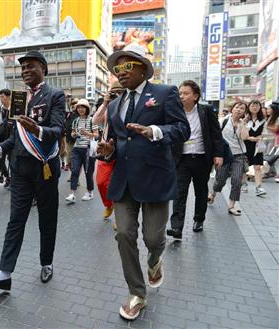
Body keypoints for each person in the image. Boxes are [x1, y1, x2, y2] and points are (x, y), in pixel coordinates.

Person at [96, 44, 190, 320]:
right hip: (123, 181)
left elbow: (182, 128)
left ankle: (154, 261)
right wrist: (108, 150)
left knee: (152, 238)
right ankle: (137, 292)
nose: (120, 73)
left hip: (155, 178)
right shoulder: (114, 105)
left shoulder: (164, 93)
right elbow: (118, 142)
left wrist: (154, 131)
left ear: (142, 68)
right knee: (124, 234)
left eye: (126, 66)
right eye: (117, 68)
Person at [0, 50, 65, 290]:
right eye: (23, 67)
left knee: (47, 218)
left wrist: (37, 129)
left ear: (43, 69)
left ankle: (46, 262)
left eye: (31, 66)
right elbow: (16, 137)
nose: (26, 71)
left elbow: (57, 131)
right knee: (16, 219)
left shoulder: (55, 95)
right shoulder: (19, 98)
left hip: (45, 166)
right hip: (20, 169)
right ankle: (4, 273)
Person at [167, 80, 224, 239]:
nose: (182, 96)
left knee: (201, 191)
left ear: (196, 96)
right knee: (179, 193)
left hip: (201, 158)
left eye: (186, 93)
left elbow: (216, 135)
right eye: (180, 93)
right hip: (181, 159)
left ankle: (199, 219)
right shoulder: (175, 112)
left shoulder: (205, 111)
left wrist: (218, 155)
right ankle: (177, 227)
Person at [208, 102, 249, 215]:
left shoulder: (243, 123)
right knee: (220, 179)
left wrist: (242, 124)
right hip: (225, 154)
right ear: (232, 109)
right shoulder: (223, 121)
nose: (239, 110)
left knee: (236, 181)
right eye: (237, 107)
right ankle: (212, 194)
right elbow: (216, 137)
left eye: (242, 108)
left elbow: (244, 137)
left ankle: (231, 206)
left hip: (239, 155)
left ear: (244, 112)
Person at [93, 81, 124, 222]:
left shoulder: (128, 106)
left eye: (120, 92)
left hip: (122, 150)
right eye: (114, 92)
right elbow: (95, 121)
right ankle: (108, 205)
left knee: (119, 184)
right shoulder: (107, 106)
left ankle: (119, 215)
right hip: (105, 150)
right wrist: (105, 104)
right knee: (101, 182)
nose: (116, 95)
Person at [65, 98, 99, 203]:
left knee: (88, 172)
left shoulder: (91, 120)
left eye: (82, 107)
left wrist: (87, 134)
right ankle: (72, 194)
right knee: (74, 171)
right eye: (79, 107)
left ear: (87, 109)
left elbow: (97, 135)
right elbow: (73, 133)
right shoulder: (75, 121)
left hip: (88, 149)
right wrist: (74, 134)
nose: (80, 109)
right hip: (77, 148)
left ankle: (89, 192)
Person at [243, 100, 266, 196]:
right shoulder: (244, 119)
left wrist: (261, 137)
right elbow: (241, 133)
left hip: (257, 146)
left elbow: (266, 133)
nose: (255, 108)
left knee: (257, 167)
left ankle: (259, 187)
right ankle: (244, 184)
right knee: (244, 166)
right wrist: (249, 138)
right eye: (253, 106)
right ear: (249, 107)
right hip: (245, 145)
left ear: (260, 108)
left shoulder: (263, 120)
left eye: (257, 106)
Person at [64, 98, 79, 173]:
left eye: (75, 104)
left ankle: (75, 177)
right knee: (69, 160)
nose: (74, 105)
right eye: (72, 104)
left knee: (77, 161)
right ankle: (73, 174)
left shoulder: (81, 115)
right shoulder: (68, 115)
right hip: (69, 140)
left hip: (78, 141)